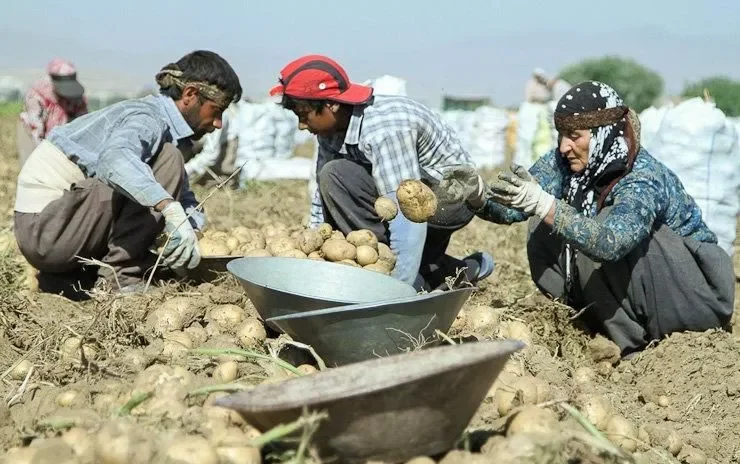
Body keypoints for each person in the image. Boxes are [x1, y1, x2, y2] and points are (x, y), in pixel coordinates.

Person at [445, 81, 735, 357]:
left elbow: (611, 243)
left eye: (574, 136)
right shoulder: (564, 162)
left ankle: (635, 344)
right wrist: (478, 194)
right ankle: (594, 321)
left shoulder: (641, 178)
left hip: (693, 296)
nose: (563, 146)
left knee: (590, 224)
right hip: (652, 290)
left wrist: (545, 204)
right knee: (543, 222)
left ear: (604, 134)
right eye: (561, 135)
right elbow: (513, 209)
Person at [13, 50, 242, 299]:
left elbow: (182, 196)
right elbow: (115, 160)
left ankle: (69, 278)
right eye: (216, 110)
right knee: (166, 160)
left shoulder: (164, 128)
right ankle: (120, 277)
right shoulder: (147, 117)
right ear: (190, 95)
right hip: (47, 232)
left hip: (58, 229)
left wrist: (193, 230)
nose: (218, 123)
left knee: (163, 170)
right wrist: (167, 207)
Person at [269, 54, 494, 291]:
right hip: (398, 193)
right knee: (333, 174)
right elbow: (320, 194)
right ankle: (445, 269)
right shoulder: (332, 128)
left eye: (304, 116)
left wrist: (396, 291)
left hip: (449, 198)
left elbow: (408, 215)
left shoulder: (384, 130)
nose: (301, 126)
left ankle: (417, 276)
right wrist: (312, 247)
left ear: (331, 104)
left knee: (406, 271)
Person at [17, 59, 88, 166]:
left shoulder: (78, 98)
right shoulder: (37, 96)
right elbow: (36, 132)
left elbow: (84, 125)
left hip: (62, 137)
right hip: (33, 135)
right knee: (34, 169)